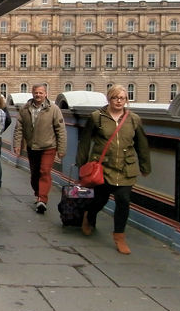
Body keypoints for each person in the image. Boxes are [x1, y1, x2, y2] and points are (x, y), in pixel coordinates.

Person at [76, 84, 151, 254]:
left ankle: (119, 237)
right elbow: (85, 142)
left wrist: (145, 166)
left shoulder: (134, 119)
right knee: (100, 200)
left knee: (123, 201)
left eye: (122, 98)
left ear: (126, 100)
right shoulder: (97, 117)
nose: (119, 101)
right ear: (109, 99)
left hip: (126, 168)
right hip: (103, 168)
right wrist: (81, 164)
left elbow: (142, 145)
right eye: (115, 97)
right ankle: (90, 214)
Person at [13, 83, 67, 214]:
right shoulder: (25, 109)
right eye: (36, 92)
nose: (38, 95)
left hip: (49, 146)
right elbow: (18, 128)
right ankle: (38, 194)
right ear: (32, 93)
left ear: (46, 94)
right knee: (35, 174)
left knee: (44, 171)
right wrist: (17, 144)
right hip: (32, 146)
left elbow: (61, 130)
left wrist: (61, 148)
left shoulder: (54, 109)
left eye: (41, 93)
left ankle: (42, 199)